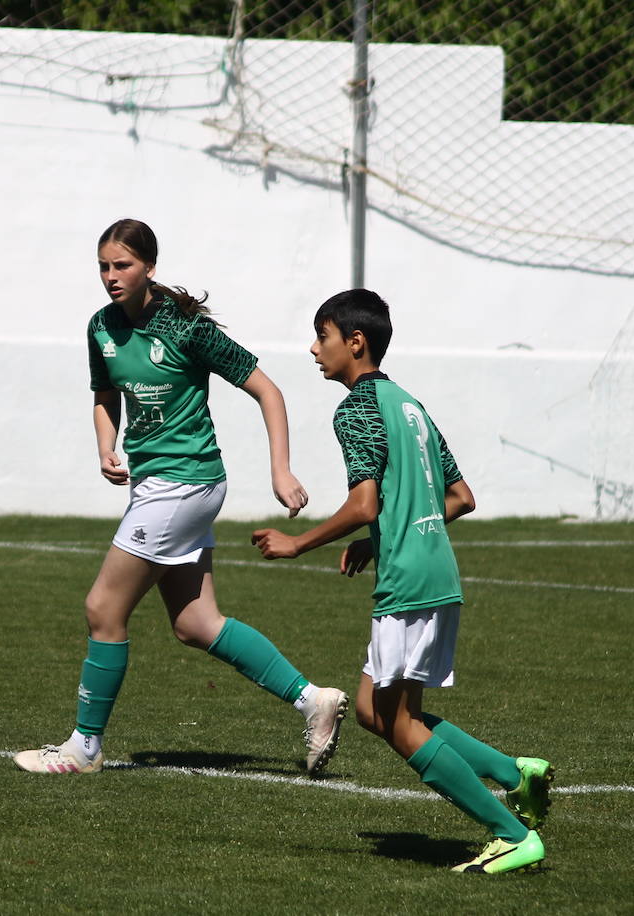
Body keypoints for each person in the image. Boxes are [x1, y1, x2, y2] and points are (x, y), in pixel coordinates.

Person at [13, 218, 348, 776]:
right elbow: (104, 392)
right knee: (196, 623)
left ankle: (83, 748)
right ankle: (313, 700)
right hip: (157, 484)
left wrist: (281, 471)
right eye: (103, 266)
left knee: (102, 608)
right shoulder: (100, 327)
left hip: (184, 483)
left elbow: (268, 390)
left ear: (149, 267)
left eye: (122, 265)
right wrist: (106, 446)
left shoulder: (187, 327)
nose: (111, 277)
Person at [250, 289, 552, 875]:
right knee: (372, 708)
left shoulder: (356, 409)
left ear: (354, 342)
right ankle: (518, 775)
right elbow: (460, 497)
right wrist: (381, 534)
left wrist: (297, 543)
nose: (315, 349)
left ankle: (511, 832)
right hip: (435, 570)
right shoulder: (410, 404)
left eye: (323, 336)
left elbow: (362, 503)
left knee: (397, 722)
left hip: (409, 581)